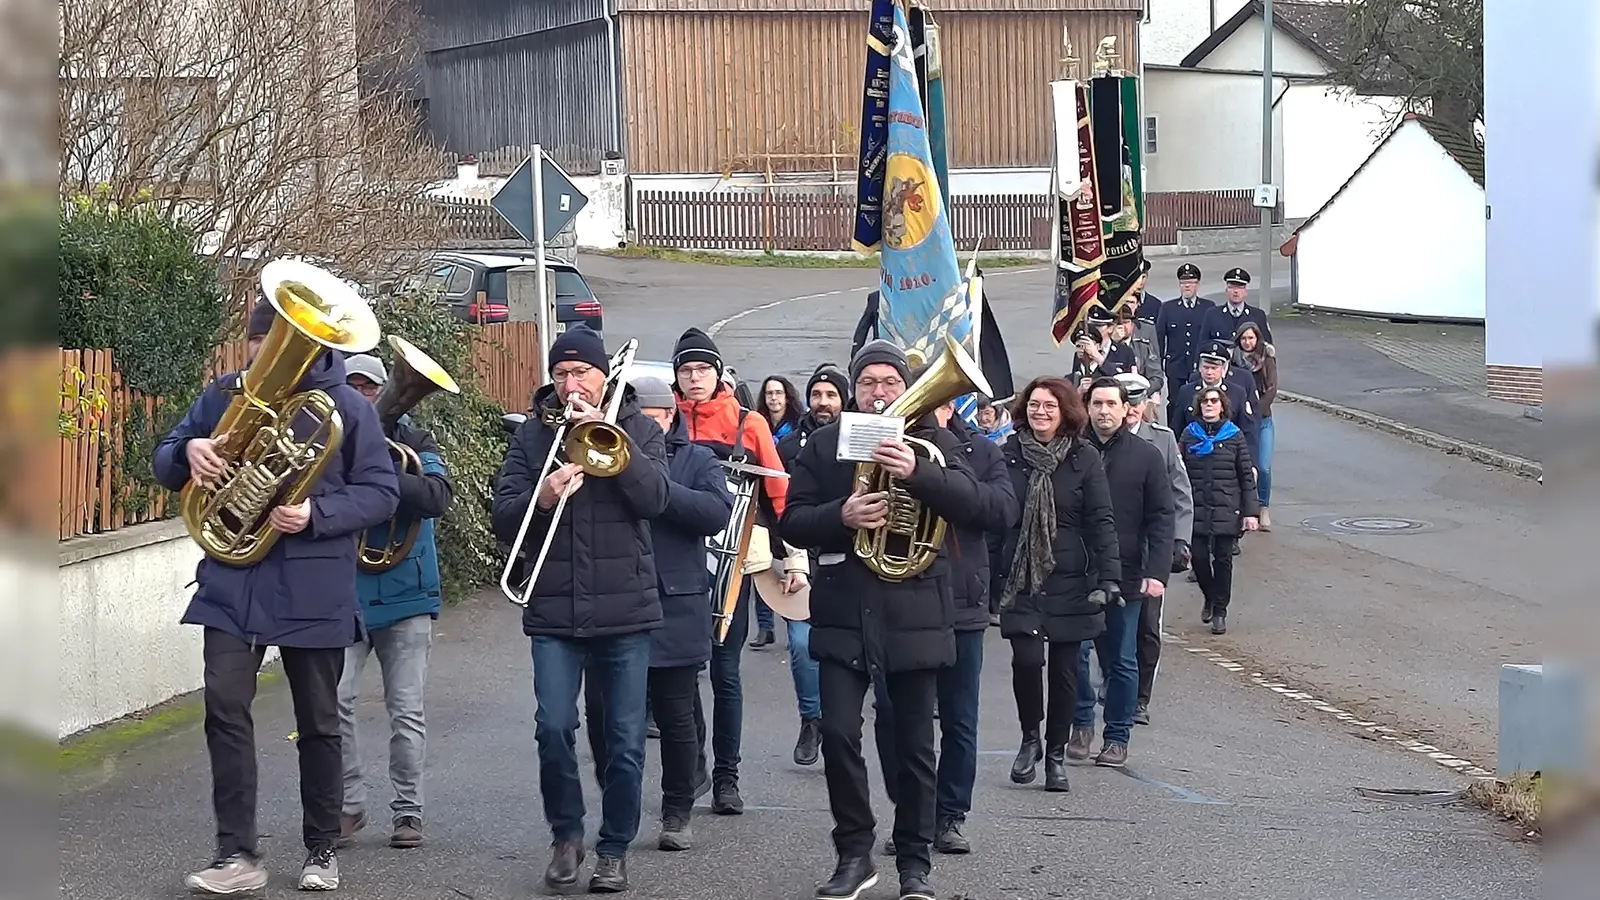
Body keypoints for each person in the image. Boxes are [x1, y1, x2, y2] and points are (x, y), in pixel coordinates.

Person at [155, 298, 400, 894]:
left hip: (313, 584)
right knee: (223, 710)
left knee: (318, 722)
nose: (261, 353)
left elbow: (383, 492)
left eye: (274, 341)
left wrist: (318, 511)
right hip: (233, 580)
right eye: (256, 341)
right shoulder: (224, 396)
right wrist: (186, 453)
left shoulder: (346, 408)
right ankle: (235, 854)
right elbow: (166, 456)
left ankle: (321, 848)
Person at [780, 339, 985, 900]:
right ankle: (854, 854)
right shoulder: (825, 445)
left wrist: (920, 473)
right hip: (844, 614)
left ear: (906, 387)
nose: (878, 392)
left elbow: (988, 506)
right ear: (853, 390)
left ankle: (915, 864)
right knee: (840, 734)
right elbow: (792, 522)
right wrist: (841, 516)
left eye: (889, 383)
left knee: (915, 747)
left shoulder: (936, 442)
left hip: (915, 613)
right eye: (867, 383)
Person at [491, 324, 671, 894]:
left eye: (582, 374)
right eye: (562, 374)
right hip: (554, 609)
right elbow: (502, 518)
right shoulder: (532, 438)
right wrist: (542, 496)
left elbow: (657, 500)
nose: (572, 384)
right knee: (553, 726)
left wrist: (618, 446)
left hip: (626, 609)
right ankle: (567, 835)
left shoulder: (638, 427)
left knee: (622, 737)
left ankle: (613, 847)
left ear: (603, 376)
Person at [582, 376, 733, 853]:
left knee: (676, 712)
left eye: (655, 416)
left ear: (672, 418)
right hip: (614, 598)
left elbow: (716, 512)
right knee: (603, 711)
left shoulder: (698, 459)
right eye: (637, 417)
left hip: (676, 598)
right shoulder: (599, 453)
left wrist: (655, 487)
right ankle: (616, 799)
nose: (646, 425)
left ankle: (677, 808)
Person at [872, 393, 1017, 857]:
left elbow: (999, 511)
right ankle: (909, 811)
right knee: (895, 715)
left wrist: (928, 476)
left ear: (951, 409)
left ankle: (951, 815)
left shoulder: (982, 452)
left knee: (959, 717)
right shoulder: (885, 449)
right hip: (900, 599)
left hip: (960, 601)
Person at [335, 353, 455, 852]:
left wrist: (378, 471)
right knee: (332, 703)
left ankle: (409, 811)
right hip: (344, 595)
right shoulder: (327, 443)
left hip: (407, 594)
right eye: (354, 387)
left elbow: (437, 496)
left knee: (405, 710)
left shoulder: (415, 441)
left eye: (371, 388)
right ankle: (347, 804)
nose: (363, 396)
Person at [671, 326, 788, 816]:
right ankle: (693, 762)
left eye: (703, 369)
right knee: (680, 674)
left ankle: (727, 778)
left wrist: (793, 557)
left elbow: (780, 493)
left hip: (735, 568)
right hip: (677, 567)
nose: (694, 378)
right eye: (686, 370)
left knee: (726, 673)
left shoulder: (749, 422)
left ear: (719, 374)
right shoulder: (664, 417)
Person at [996, 375, 1120, 794]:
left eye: (1050, 406)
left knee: (1067, 672)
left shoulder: (1084, 457)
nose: (1041, 412)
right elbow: (994, 517)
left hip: (1072, 578)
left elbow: (1101, 520)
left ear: (1064, 411)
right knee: (1027, 661)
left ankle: (1055, 754)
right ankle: (1030, 738)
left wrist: (1109, 577)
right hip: (1022, 577)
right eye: (1034, 405)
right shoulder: (1008, 454)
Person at [1069, 378, 1174, 767]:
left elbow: (1162, 517)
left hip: (1128, 574)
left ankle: (1117, 735)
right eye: (1097, 404)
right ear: (1087, 407)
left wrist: (1157, 571)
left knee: (1121, 660)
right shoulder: (1073, 451)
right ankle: (1081, 723)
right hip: (1076, 572)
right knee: (1075, 654)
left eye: (1111, 404)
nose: (1104, 412)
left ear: (1126, 408)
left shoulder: (1145, 457)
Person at [773, 363, 849, 765]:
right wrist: (792, 559)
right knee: (802, 646)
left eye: (831, 395)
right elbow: (780, 510)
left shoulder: (857, 440)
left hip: (847, 563)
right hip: (799, 559)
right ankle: (811, 719)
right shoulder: (789, 448)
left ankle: (840, 727)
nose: (823, 402)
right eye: (817, 395)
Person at [1114, 373, 1192, 725]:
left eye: (1136, 403)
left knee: (1146, 627)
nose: (1130, 410)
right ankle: (1114, 686)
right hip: (1109, 548)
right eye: (1124, 402)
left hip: (1148, 551)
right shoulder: (1096, 438)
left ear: (1145, 404)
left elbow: (1180, 494)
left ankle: (1140, 697)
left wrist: (1180, 540)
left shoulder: (1162, 441)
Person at [1179, 387, 1260, 636]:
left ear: (1222, 405)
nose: (1209, 405)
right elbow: (1177, 473)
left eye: (1214, 401)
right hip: (1198, 507)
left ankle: (1220, 611)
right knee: (1200, 560)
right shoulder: (1189, 435)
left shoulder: (1234, 436)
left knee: (1223, 560)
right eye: (1204, 401)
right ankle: (1210, 596)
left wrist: (1250, 512)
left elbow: (1246, 476)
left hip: (1227, 507)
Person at [751, 374, 806, 647]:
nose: (773, 398)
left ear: (787, 397)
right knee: (761, 565)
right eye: (769, 393)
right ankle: (764, 627)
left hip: (785, 500)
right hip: (761, 503)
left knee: (787, 564)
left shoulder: (796, 429)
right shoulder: (755, 423)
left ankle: (790, 618)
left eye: (778, 393)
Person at [1175, 340, 1261, 464]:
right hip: (1194, 458)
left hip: (1228, 460)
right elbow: (1177, 428)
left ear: (1223, 369)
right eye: (1206, 367)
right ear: (1199, 368)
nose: (1209, 372)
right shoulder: (1186, 392)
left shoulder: (1238, 393)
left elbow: (1247, 432)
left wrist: (1252, 464)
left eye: (1214, 368)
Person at [1232, 322, 1278, 530]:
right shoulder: (1234, 360)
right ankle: (1243, 509)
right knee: (1244, 467)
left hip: (1263, 419)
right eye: (1244, 339)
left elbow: (1272, 388)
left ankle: (1264, 507)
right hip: (1241, 420)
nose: (1247, 342)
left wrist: (1257, 411)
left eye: (1251, 338)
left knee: (1264, 467)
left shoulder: (1266, 357)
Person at [1155, 263, 1211, 423]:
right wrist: (1159, 365)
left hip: (1199, 365)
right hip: (1176, 365)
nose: (1187, 286)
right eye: (1183, 282)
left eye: (1191, 282)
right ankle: (1174, 436)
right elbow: (1160, 338)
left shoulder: (1207, 308)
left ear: (1197, 285)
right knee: (1175, 402)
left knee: (1200, 401)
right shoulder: (1168, 308)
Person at [1200, 267, 1273, 348]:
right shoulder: (1212, 314)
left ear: (1245, 291)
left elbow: (1267, 347)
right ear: (1226, 290)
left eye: (1240, 287)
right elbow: (1202, 345)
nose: (1236, 291)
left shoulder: (1258, 316)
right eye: (1232, 287)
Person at [1118, 306, 1165, 424]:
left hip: (1141, 396)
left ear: (1132, 325)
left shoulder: (1143, 347)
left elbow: (1157, 378)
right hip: (1116, 397)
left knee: (1150, 407)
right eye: (1118, 323)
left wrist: (1141, 393)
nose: (1122, 327)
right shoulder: (1108, 348)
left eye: (1126, 322)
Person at [1069, 305, 1135, 385]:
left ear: (1110, 328)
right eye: (1092, 325)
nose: (1094, 329)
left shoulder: (1125, 352)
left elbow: (1126, 382)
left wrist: (1097, 357)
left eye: (1098, 326)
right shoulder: (1082, 352)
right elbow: (1075, 380)